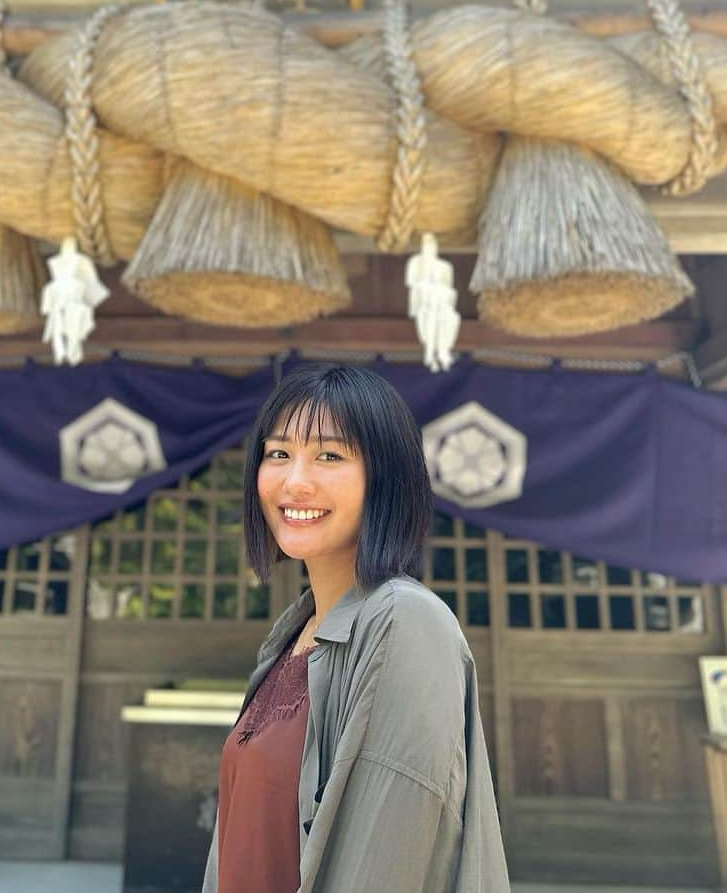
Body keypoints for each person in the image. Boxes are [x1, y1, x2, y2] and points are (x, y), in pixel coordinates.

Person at [202, 362, 509, 893]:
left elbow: (382, 863)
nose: (295, 481)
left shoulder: (405, 622)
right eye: (278, 453)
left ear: (383, 478)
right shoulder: (294, 634)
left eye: (329, 455)